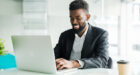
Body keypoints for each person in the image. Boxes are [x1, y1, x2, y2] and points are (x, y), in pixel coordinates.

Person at [54, 0, 109, 70]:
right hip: (66, 72)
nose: (74, 22)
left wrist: (73, 64)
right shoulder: (64, 35)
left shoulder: (100, 34)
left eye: (78, 18)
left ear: (87, 17)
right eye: (71, 18)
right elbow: (54, 55)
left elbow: (102, 60)